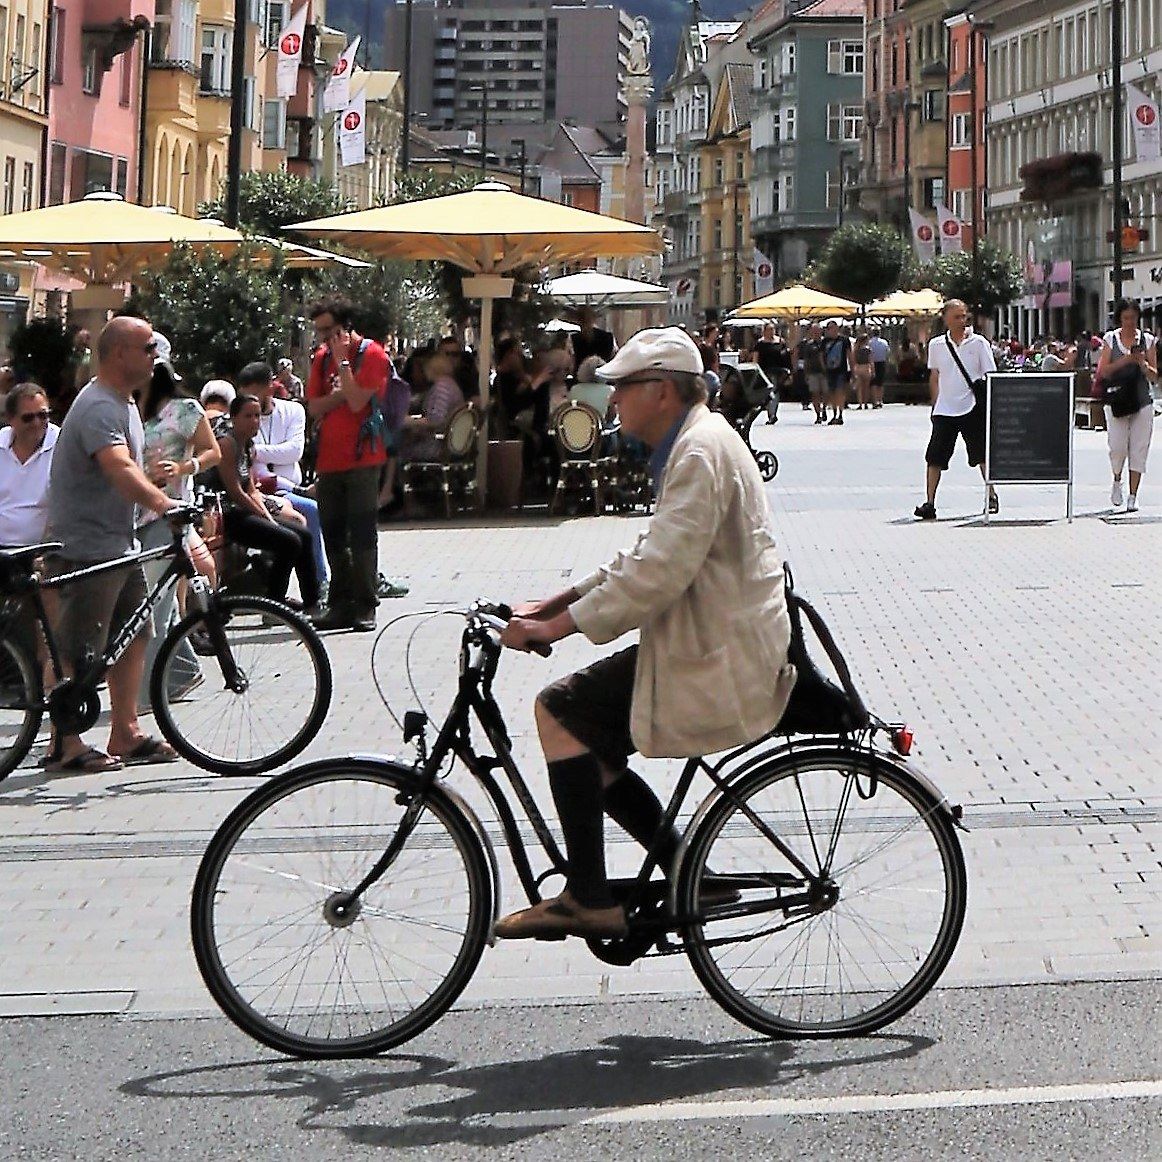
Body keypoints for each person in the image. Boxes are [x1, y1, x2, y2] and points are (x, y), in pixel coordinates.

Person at [492, 326, 796, 940]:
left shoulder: (699, 452)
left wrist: (557, 626)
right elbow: (646, 554)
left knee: (558, 711)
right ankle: (685, 865)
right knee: (589, 742)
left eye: (622, 388)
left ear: (660, 391)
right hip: (712, 635)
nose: (613, 401)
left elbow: (659, 573)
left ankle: (588, 897)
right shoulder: (697, 443)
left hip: (717, 649)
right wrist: (557, 600)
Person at [44, 316, 182, 773]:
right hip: (86, 546)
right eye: (146, 348)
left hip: (119, 543)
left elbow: (130, 466)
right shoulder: (101, 406)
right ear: (119, 353)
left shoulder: (122, 403)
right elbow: (118, 468)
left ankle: (125, 731)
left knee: (135, 633)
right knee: (77, 646)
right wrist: (165, 504)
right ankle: (64, 742)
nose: (153, 357)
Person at [135, 345, 221, 709]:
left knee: (152, 606)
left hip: (166, 515)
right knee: (162, 602)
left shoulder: (184, 411)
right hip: (131, 515)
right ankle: (183, 669)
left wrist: (184, 468)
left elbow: (211, 451)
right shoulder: (126, 409)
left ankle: (147, 695)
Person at [305, 297, 389, 633]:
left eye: (328, 330)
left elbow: (356, 403)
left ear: (345, 325)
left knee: (363, 534)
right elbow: (314, 406)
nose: (323, 338)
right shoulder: (320, 359)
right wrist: (339, 392)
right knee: (334, 534)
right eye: (320, 331)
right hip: (329, 460)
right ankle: (340, 604)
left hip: (362, 457)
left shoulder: (372, 354)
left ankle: (365, 605)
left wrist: (343, 367)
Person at [209, 394, 320, 611]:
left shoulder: (248, 445)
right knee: (289, 542)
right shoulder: (226, 443)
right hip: (227, 514)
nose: (254, 421)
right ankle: (274, 603)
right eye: (248, 416)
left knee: (303, 534)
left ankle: (312, 602)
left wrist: (267, 514)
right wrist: (264, 517)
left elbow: (250, 487)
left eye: (257, 416)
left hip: (246, 510)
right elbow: (235, 491)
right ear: (234, 418)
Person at [245, 361, 328, 593]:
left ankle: (320, 584)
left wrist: (256, 451)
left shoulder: (293, 411)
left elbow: (294, 451)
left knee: (309, 511)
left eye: (254, 391)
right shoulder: (245, 414)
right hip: (264, 492)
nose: (250, 398)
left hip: (287, 488)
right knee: (306, 513)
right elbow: (255, 468)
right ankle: (309, 587)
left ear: (269, 388)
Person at [914, 299, 999, 520]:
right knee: (934, 456)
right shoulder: (937, 345)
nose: (962, 321)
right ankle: (930, 503)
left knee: (981, 454)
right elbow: (935, 376)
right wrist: (935, 406)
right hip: (945, 408)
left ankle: (991, 494)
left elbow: (990, 375)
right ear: (946, 319)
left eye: (964, 316)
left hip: (972, 406)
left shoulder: (979, 343)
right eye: (956, 317)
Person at [1096, 297, 1159, 512]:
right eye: (1126, 318)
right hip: (1117, 400)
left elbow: (1154, 376)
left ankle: (1133, 495)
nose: (1130, 322)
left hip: (1142, 401)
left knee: (1139, 448)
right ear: (1119, 319)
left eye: (1133, 318)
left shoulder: (1148, 341)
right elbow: (1103, 371)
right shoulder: (1111, 340)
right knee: (1117, 447)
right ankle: (1117, 479)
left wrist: (1142, 363)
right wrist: (1127, 359)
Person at [0, 383, 59, 547]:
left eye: (43, 415)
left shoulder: (62, 446)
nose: (37, 423)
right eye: (28, 418)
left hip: (38, 550)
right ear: (11, 420)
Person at [398, 351, 465, 466]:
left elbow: (436, 420)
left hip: (437, 446)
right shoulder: (451, 385)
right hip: (448, 444)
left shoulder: (441, 388)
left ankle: (399, 481)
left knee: (396, 448)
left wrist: (408, 421)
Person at [821, 321, 852, 426]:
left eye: (832, 328)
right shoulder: (825, 341)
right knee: (832, 393)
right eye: (828, 328)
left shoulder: (844, 340)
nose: (830, 330)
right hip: (829, 370)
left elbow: (849, 355)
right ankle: (834, 414)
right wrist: (823, 367)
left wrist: (852, 369)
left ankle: (840, 414)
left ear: (837, 329)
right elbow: (821, 356)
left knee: (840, 392)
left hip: (841, 370)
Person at [796, 324, 828, 423]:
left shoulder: (826, 343)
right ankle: (818, 414)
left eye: (817, 331)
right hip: (812, 372)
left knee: (826, 392)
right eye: (813, 331)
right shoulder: (808, 345)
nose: (815, 333)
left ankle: (824, 409)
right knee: (815, 393)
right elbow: (806, 360)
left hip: (825, 372)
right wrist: (806, 373)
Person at [868, 329, 890, 408]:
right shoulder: (884, 342)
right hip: (881, 363)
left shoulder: (869, 343)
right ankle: (880, 400)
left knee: (873, 383)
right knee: (880, 383)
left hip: (872, 363)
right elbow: (887, 353)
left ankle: (874, 400)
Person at [852, 331, 874, 409]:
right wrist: (873, 370)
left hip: (858, 367)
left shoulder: (856, 349)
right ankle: (865, 403)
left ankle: (860, 403)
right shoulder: (868, 349)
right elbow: (871, 360)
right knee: (866, 387)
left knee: (860, 388)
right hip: (866, 367)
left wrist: (853, 370)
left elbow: (853, 360)